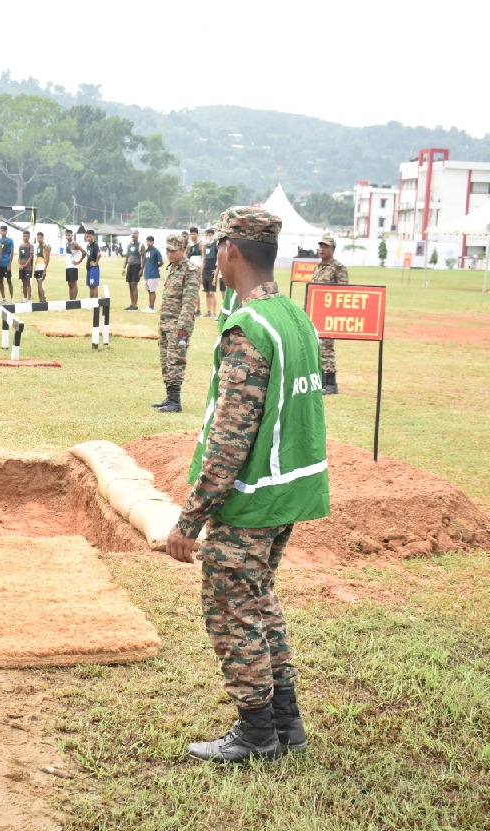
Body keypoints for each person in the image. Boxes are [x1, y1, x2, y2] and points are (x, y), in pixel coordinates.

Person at [166, 205, 330, 765]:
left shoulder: (249, 328)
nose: (215, 256)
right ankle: (286, 721)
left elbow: (231, 439)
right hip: (288, 491)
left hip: (251, 498)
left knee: (231, 609)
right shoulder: (294, 317)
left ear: (230, 251)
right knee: (258, 600)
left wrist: (190, 519)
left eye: (217, 247)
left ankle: (256, 733)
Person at [153, 234, 199, 413]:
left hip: (178, 324)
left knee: (175, 360)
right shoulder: (172, 268)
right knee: (165, 360)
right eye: (167, 250)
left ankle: (175, 400)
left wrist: (183, 326)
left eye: (173, 250)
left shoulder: (191, 269)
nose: (169, 254)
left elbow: (189, 300)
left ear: (182, 249)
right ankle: (169, 397)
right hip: (166, 321)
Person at [311, 233, 348, 395]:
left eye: (325, 246)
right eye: (320, 246)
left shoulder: (338, 267)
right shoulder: (318, 267)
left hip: (329, 314)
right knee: (316, 346)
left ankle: (331, 384)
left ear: (333, 249)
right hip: (315, 312)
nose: (321, 249)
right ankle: (321, 381)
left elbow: (344, 291)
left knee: (326, 347)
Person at [202, 226, 220, 319]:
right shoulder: (205, 246)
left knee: (212, 293)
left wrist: (215, 274)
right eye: (207, 235)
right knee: (207, 293)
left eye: (210, 235)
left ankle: (214, 312)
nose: (208, 236)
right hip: (206, 271)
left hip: (213, 270)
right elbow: (204, 259)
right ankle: (208, 312)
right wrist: (202, 272)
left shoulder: (216, 246)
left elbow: (219, 260)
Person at [123, 229, 143, 310]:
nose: (133, 235)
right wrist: (124, 266)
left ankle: (135, 305)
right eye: (132, 233)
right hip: (130, 267)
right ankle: (131, 304)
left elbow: (144, 257)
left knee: (134, 285)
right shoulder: (129, 245)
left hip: (136, 266)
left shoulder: (141, 245)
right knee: (130, 286)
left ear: (138, 234)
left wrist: (141, 269)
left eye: (135, 233)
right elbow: (127, 256)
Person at [142, 235, 163, 310]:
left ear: (153, 242)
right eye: (147, 241)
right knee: (149, 290)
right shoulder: (147, 251)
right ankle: (150, 306)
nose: (148, 243)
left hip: (153, 274)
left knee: (152, 291)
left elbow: (161, 262)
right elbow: (144, 261)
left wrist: (156, 266)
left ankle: (152, 307)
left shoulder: (156, 251)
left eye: (150, 241)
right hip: (147, 274)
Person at [0, 225, 15, 302]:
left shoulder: (10, 240)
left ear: (6, 231)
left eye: (5, 231)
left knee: (9, 281)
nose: (3, 232)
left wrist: (9, 264)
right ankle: (3, 298)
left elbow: (12, 252)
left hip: (6, 263)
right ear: (0, 231)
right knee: (0, 281)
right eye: (2, 230)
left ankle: (12, 298)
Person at [65, 231, 85, 300]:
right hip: (68, 266)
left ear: (72, 235)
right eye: (66, 235)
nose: (67, 237)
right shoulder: (67, 243)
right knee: (70, 284)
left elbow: (84, 252)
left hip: (73, 267)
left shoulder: (74, 244)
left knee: (74, 283)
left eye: (69, 235)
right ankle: (71, 300)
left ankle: (74, 300)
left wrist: (78, 262)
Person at [33, 231, 51, 302]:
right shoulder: (37, 246)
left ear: (43, 238)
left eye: (40, 238)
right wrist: (34, 269)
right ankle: (40, 299)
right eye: (38, 238)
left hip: (42, 267)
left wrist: (45, 269)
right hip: (37, 267)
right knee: (38, 283)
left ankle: (43, 299)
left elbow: (47, 258)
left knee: (40, 283)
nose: (39, 239)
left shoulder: (46, 246)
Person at [16, 230, 34, 301]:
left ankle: (29, 298)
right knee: (23, 282)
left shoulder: (30, 246)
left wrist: (25, 265)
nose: (25, 237)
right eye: (24, 236)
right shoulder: (21, 246)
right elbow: (19, 257)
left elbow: (31, 257)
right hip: (21, 267)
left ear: (29, 237)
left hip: (28, 267)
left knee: (28, 282)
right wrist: (19, 264)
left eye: (26, 236)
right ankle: (24, 298)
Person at [84, 229, 102, 298]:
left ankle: (95, 303)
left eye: (90, 237)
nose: (88, 238)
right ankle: (90, 302)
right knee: (90, 285)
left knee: (94, 285)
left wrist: (96, 263)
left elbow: (99, 254)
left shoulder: (95, 245)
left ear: (93, 236)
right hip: (89, 268)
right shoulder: (88, 246)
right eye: (87, 237)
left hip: (94, 269)